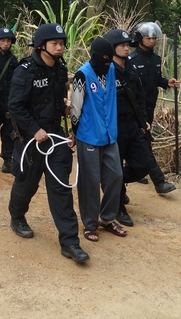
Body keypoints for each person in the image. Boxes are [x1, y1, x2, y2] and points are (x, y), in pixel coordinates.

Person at [7, 23, 89, 263]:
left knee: (61, 190)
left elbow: (55, 99)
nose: (59, 47)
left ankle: (70, 243)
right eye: (55, 43)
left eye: (62, 43)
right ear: (41, 45)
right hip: (31, 140)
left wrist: (64, 109)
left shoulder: (60, 69)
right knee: (26, 185)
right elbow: (15, 106)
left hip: (56, 138)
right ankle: (17, 216)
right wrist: (34, 129)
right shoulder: (25, 71)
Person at [70, 37, 127, 242]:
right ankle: (90, 223)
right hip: (88, 135)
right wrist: (74, 133)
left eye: (109, 59)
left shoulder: (111, 69)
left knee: (116, 176)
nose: (107, 63)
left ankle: (108, 217)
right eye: (104, 59)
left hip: (110, 134)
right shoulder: (81, 75)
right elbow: (75, 108)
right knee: (90, 181)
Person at [103, 28, 153, 227]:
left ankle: (115, 183)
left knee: (144, 163)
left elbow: (140, 97)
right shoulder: (105, 71)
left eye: (127, 45)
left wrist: (144, 120)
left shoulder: (131, 69)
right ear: (112, 48)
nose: (126, 49)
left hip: (132, 124)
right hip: (113, 126)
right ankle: (117, 207)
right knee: (114, 166)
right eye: (122, 45)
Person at [128, 22, 178, 195]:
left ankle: (135, 169)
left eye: (154, 38)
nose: (152, 41)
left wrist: (167, 83)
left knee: (136, 142)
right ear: (140, 38)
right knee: (144, 144)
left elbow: (155, 80)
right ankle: (159, 181)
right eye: (149, 38)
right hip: (134, 110)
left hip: (149, 107)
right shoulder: (131, 61)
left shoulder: (156, 60)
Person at [0, 28, 19, 173]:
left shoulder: (13, 60)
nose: (6, 43)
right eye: (3, 41)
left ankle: (7, 160)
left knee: (9, 131)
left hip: (8, 101)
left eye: (8, 41)